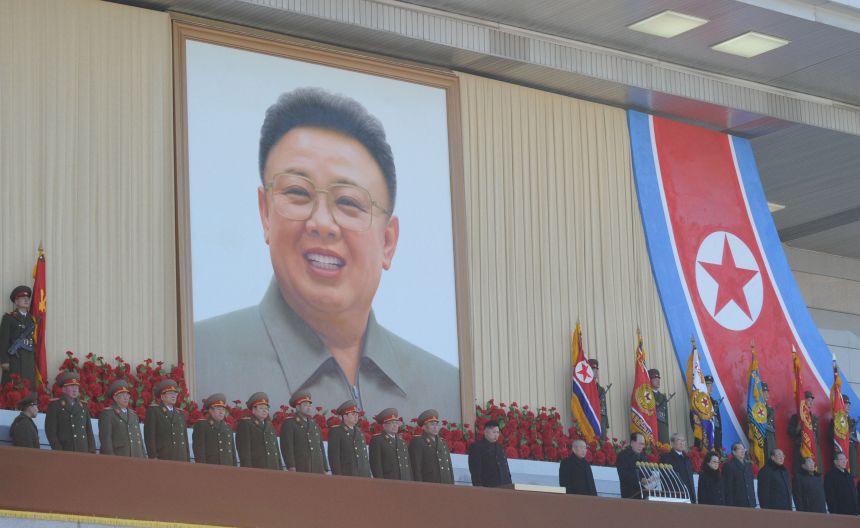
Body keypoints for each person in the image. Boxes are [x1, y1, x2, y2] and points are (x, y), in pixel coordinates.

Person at [194, 87, 460, 422]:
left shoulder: (448, 390)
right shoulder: (201, 359)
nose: (322, 223)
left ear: (388, 242)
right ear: (265, 213)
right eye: (297, 193)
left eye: (348, 202)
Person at [45, 372, 95, 453]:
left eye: (76, 386)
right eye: (71, 386)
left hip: (83, 450)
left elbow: (89, 431)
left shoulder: (83, 406)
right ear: (64, 389)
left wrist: (92, 451)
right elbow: (51, 432)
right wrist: (58, 450)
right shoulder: (55, 406)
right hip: (65, 450)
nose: (75, 389)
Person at [280, 391, 328, 473]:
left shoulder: (314, 425)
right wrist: (291, 465)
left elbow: (320, 448)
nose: (309, 407)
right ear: (298, 407)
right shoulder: (290, 423)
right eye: (305, 405)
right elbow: (287, 447)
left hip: (317, 467)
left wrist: (324, 467)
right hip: (301, 466)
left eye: (309, 405)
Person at [144, 379, 189, 461]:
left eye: (175, 393)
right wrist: (153, 457)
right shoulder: (155, 411)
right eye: (170, 393)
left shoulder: (180, 414)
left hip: (181, 458)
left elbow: (185, 439)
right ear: (162, 396)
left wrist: (187, 459)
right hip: (163, 457)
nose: (174, 396)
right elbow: (150, 436)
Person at [0, 286, 37, 389]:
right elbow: (3, 341)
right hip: (14, 360)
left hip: (28, 361)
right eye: (22, 298)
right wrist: (4, 361)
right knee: (13, 390)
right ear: (16, 301)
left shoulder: (32, 319)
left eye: (28, 298)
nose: (26, 300)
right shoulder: (8, 318)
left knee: (28, 389)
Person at [98, 380, 145, 457]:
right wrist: (111, 458)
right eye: (122, 394)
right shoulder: (108, 414)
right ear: (115, 398)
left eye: (127, 394)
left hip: (136, 456)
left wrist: (144, 458)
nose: (126, 397)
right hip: (120, 456)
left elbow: (139, 438)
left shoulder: (133, 414)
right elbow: (106, 440)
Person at [236, 392, 281, 470]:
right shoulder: (246, 424)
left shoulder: (269, 425)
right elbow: (244, 450)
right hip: (256, 467)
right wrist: (247, 469)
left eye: (266, 408)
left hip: (273, 467)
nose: (265, 411)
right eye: (261, 408)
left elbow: (276, 449)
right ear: (253, 410)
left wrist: (279, 467)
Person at [327, 399, 371, 477]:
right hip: (347, 475)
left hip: (363, 475)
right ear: (345, 416)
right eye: (353, 414)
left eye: (357, 414)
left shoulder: (359, 432)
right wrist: (338, 476)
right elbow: (334, 458)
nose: (356, 417)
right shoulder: (336, 432)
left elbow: (364, 458)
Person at [410, 409, 454, 484]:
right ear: (423, 427)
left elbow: (449, 467)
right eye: (432, 424)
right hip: (429, 484)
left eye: (436, 424)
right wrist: (419, 486)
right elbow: (416, 467)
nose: (435, 427)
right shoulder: (419, 441)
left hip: (446, 484)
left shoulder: (443, 442)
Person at [192, 393, 237, 466]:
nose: (221, 412)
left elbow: (232, 452)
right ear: (210, 410)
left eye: (223, 409)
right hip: (211, 468)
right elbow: (199, 452)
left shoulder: (227, 427)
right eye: (218, 409)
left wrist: (235, 469)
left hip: (228, 468)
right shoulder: (202, 425)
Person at [368, 408, 412, 480]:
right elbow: (376, 466)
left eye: (396, 423)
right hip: (389, 482)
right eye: (391, 423)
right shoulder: (378, 440)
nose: (395, 425)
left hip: (405, 482)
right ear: (384, 425)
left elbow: (408, 466)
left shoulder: (402, 442)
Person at [468, 420, 511, 488]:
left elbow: (505, 468)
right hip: (487, 487)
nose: (496, 435)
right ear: (486, 432)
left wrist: (509, 484)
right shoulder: (477, 447)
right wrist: (478, 486)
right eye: (494, 432)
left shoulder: (500, 447)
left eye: (497, 432)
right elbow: (475, 470)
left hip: (504, 487)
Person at [789, 390, 821, 471]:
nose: (810, 402)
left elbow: (816, 435)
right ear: (803, 401)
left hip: (813, 448)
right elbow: (790, 432)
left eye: (811, 400)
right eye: (808, 400)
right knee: (801, 471)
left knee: (814, 472)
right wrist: (798, 428)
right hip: (801, 447)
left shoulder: (814, 418)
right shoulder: (796, 417)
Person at [659, 433, 696, 503]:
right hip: (675, 496)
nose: (682, 443)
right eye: (679, 440)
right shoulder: (667, 458)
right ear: (672, 443)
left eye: (683, 441)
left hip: (689, 497)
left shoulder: (687, 459)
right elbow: (665, 479)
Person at [722, 442, 756, 507]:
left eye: (744, 449)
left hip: (750, 503)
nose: (743, 450)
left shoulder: (748, 465)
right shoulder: (729, 465)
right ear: (734, 452)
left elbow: (750, 485)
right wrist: (729, 505)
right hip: (737, 504)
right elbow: (727, 487)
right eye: (740, 449)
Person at [616, 432, 647, 499]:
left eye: (643, 444)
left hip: (644, 492)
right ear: (632, 443)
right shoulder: (623, 456)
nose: (641, 447)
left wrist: (649, 479)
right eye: (640, 444)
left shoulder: (643, 457)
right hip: (629, 494)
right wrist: (640, 479)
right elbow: (624, 475)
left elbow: (646, 472)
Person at [589, 359, 609, 437]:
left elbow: (604, 408)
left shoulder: (601, 389)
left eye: (597, 369)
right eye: (593, 369)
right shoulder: (586, 389)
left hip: (601, 422)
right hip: (591, 421)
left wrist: (606, 424)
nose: (596, 371)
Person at [649, 369, 669, 446]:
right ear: (649, 380)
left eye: (658, 379)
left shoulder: (663, 397)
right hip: (652, 429)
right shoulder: (647, 396)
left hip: (662, 429)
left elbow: (665, 417)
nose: (658, 381)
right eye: (655, 379)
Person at [705, 375, 722, 452]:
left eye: (711, 385)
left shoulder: (714, 402)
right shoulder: (699, 402)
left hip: (716, 436)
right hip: (706, 436)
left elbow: (718, 424)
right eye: (708, 385)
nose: (711, 388)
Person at [761, 382, 777, 459]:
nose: (767, 395)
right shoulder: (755, 409)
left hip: (770, 438)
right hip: (761, 438)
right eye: (764, 392)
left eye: (767, 392)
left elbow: (773, 427)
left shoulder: (770, 409)